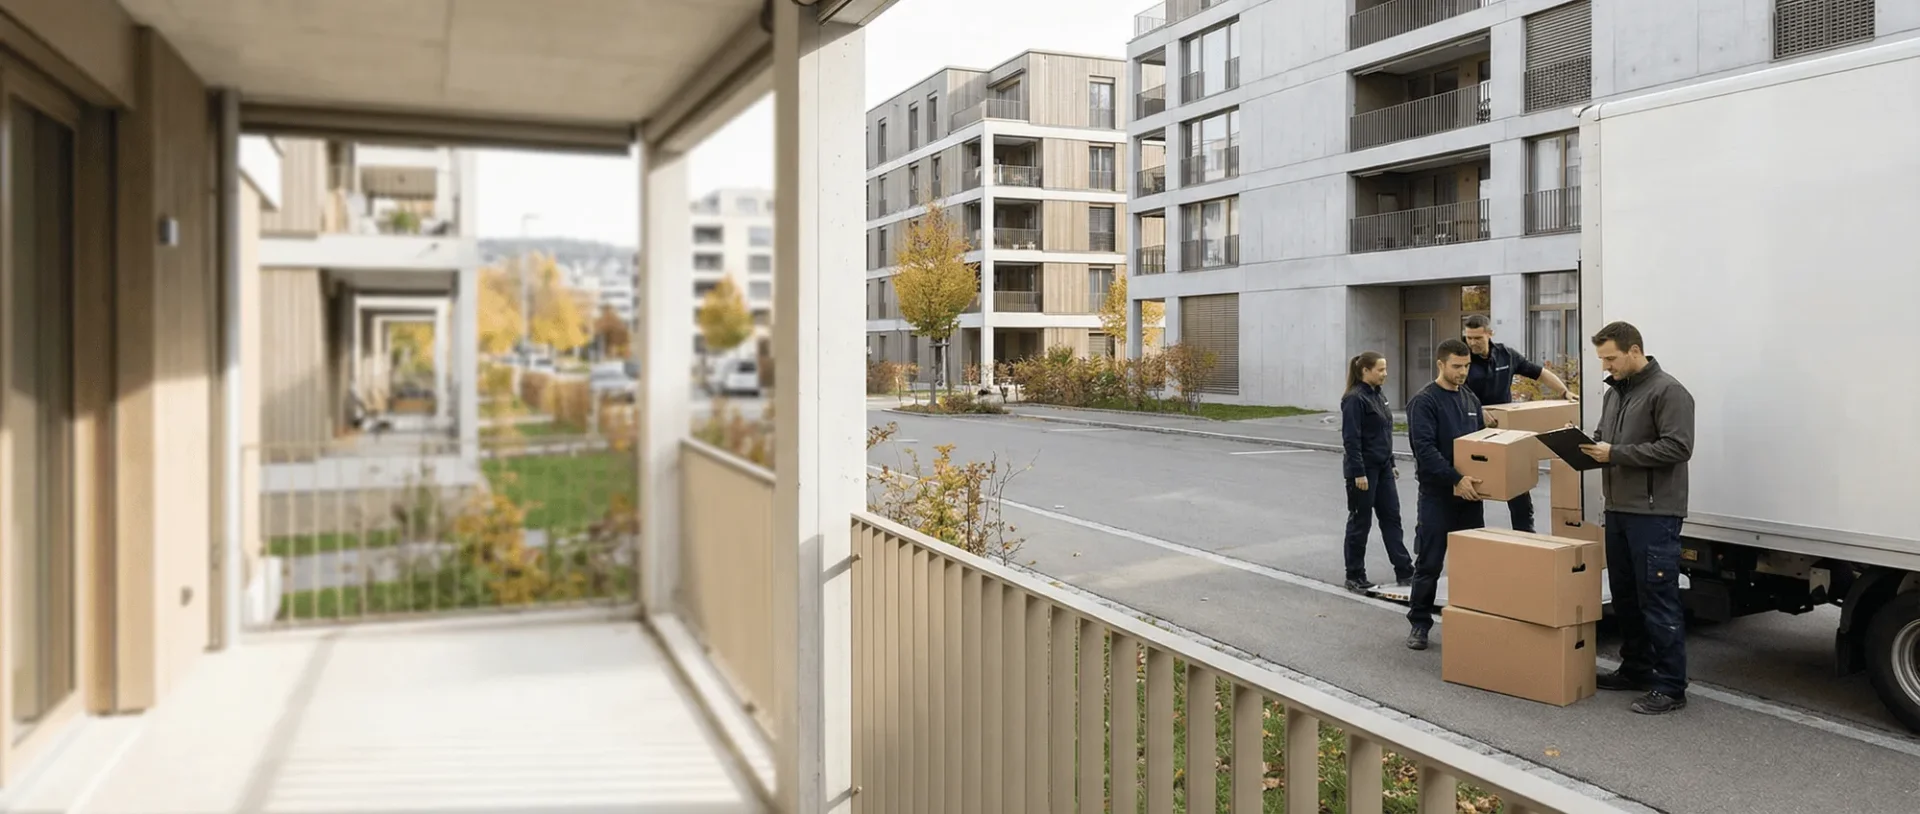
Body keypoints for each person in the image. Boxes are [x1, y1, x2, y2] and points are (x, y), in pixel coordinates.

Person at [1577, 321, 1695, 715]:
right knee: (1626, 597)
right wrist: (1585, 447)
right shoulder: (1615, 394)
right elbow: (1605, 439)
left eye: (1610, 358)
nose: (1605, 367)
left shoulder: (1669, 391)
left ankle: (1670, 687)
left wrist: (1615, 454)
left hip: (1654, 512)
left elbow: (1678, 448)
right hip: (1620, 509)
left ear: (1634, 350)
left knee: (1657, 599)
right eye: (1601, 359)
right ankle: (1636, 668)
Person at [1403, 339, 1486, 650]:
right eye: (1456, 366)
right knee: (1430, 560)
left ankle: (1467, 622)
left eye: (1466, 366)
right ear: (1440, 364)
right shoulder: (1424, 402)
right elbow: (1424, 450)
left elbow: (1480, 445)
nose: (1463, 372)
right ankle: (1420, 622)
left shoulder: (1469, 399)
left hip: (1470, 495)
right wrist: (1455, 478)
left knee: (1471, 562)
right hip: (1438, 494)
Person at [1461, 315, 1574, 533]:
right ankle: (1473, 538)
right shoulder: (1462, 357)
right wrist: (1478, 411)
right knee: (1474, 488)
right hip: (1472, 430)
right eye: (1469, 338)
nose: (1472, 343)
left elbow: (1539, 373)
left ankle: (1525, 535)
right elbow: (1455, 390)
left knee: (1518, 485)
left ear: (1489, 333)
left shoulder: (1506, 355)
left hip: (1504, 429)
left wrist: (1564, 391)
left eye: (1477, 338)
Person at [1339, 352, 1413, 593]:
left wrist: (1390, 462)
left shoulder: (1378, 396)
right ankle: (1355, 575)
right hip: (1363, 471)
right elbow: (1351, 439)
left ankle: (1405, 570)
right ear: (1365, 371)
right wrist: (1358, 473)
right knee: (1360, 522)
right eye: (1380, 370)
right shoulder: (1354, 399)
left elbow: (1384, 433)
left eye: (1385, 369)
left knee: (1392, 518)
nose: (1385, 374)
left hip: (1382, 468)